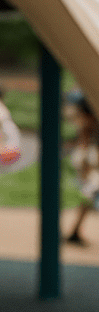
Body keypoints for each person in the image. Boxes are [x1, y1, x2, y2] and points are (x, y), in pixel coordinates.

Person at [65, 94, 98, 245]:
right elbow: (84, 152)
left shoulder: (87, 122)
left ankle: (75, 231)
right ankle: (74, 231)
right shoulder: (87, 122)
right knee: (89, 194)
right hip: (87, 161)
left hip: (88, 161)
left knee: (88, 197)